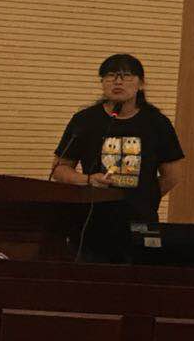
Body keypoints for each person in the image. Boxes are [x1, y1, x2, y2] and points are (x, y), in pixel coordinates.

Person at [50, 53, 185, 260]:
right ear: (102, 82)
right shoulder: (84, 121)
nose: (118, 81)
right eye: (110, 75)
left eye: (126, 76)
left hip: (141, 221)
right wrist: (87, 180)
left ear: (141, 84)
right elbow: (59, 169)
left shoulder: (157, 123)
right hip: (92, 222)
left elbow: (173, 175)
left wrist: (145, 196)